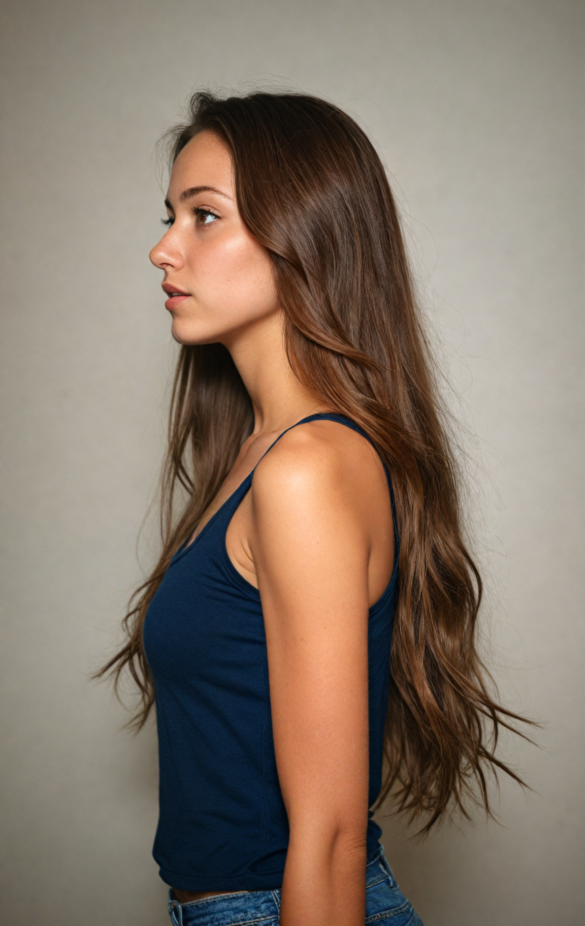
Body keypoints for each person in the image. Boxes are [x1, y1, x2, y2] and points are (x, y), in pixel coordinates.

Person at [94, 90, 531, 926]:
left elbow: (328, 835)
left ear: (304, 234)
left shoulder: (306, 469)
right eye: (169, 216)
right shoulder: (257, 457)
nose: (162, 250)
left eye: (204, 217)